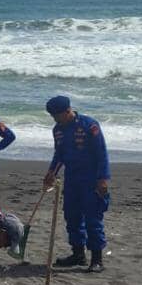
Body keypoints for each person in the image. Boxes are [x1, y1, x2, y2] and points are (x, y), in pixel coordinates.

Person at [43, 96, 110, 273]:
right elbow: (59, 154)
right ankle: (78, 254)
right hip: (72, 179)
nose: (55, 119)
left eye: (57, 115)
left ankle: (97, 259)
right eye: (53, 116)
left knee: (92, 218)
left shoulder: (89, 125)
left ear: (68, 111)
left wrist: (103, 178)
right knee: (72, 217)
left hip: (91, 179)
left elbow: (101, 153)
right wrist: (52, 173)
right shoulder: (58, 130)